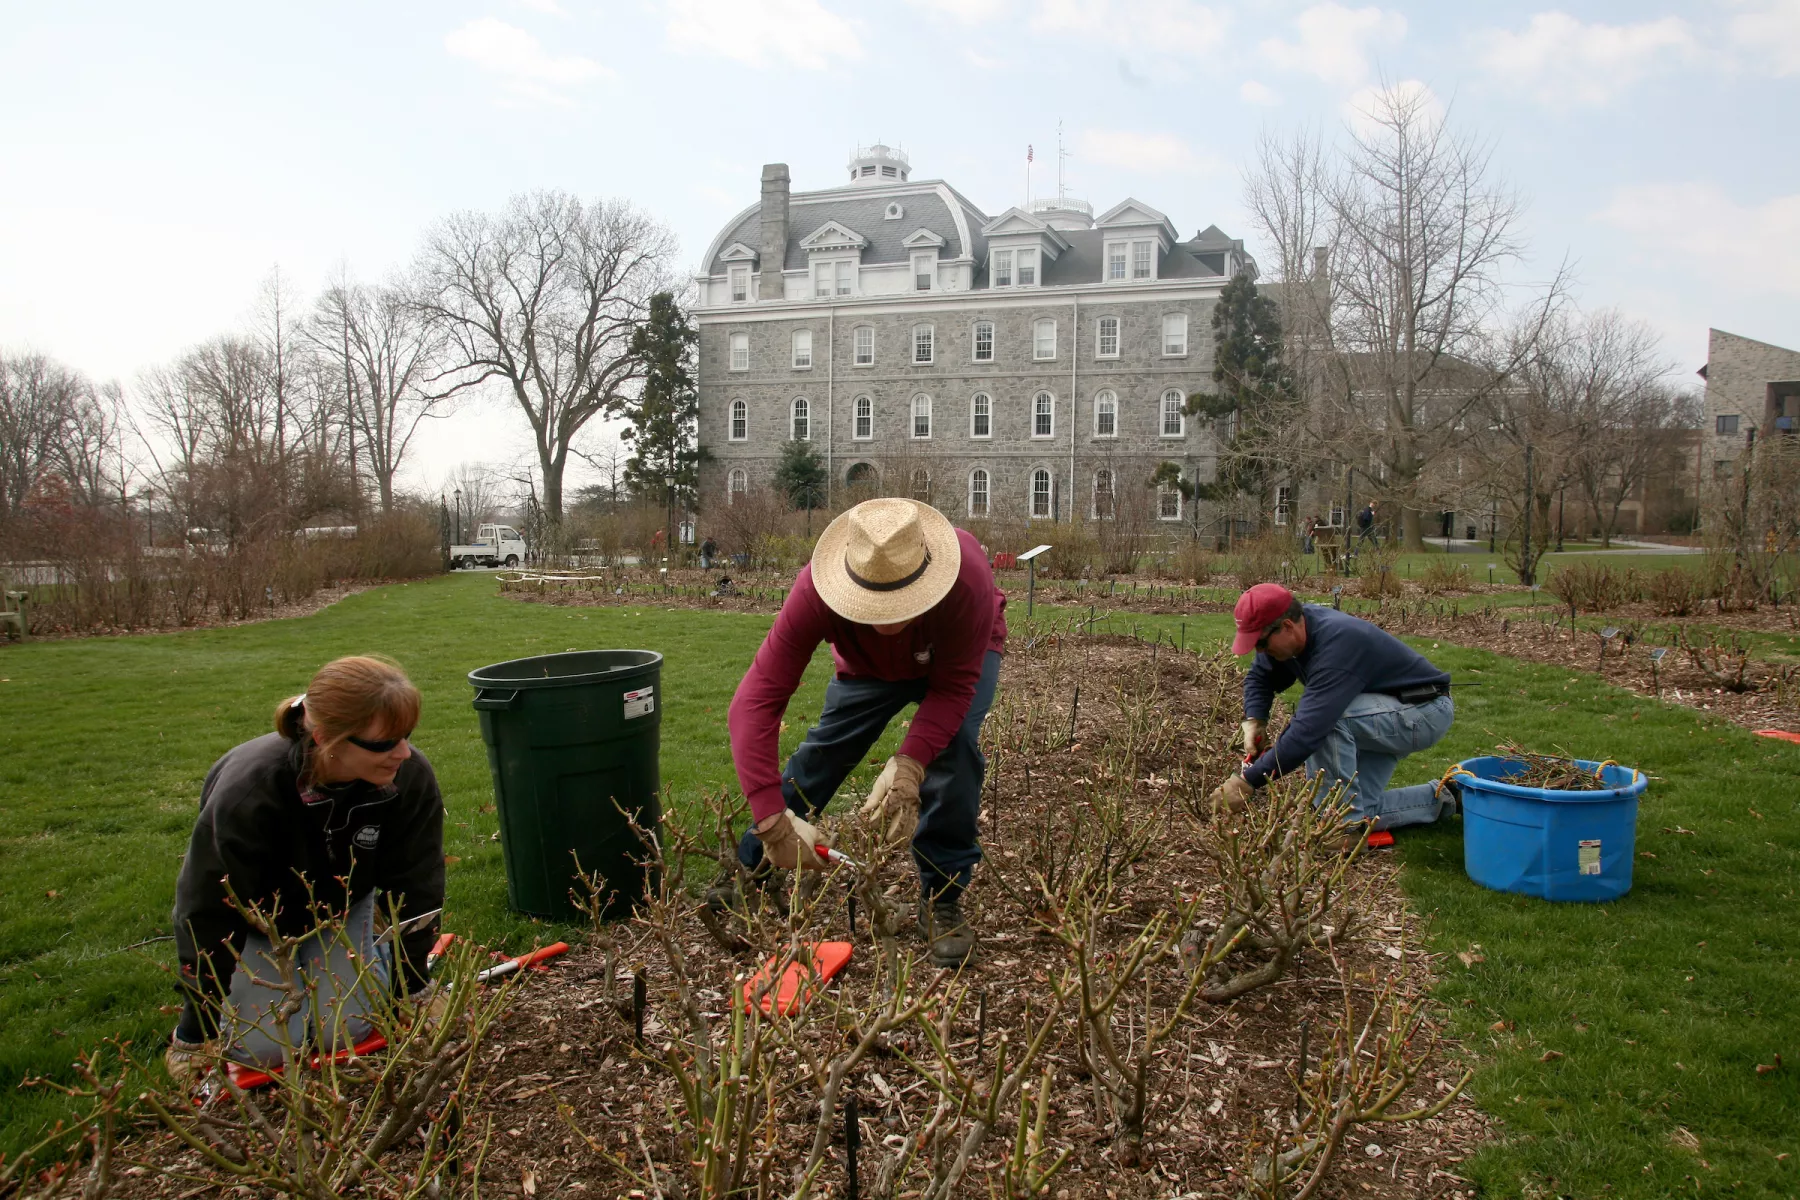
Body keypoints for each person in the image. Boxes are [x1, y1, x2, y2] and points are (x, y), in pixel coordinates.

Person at [722, 497, 1006, 966]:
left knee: (955, 752)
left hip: (953, 653)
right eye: (874, 605)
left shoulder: (967, 578)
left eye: (902, 604)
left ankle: (942, 897)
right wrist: (770, 816)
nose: (889, 621)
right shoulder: (815, 589)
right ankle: (754, 859)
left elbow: (955, 688)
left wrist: (910, 764)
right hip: (867, 667)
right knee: (828, 749)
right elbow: (755, 700)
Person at [166, 655, 444, 1085]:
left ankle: (378, 957)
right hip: (259, 925)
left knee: (346, 1031)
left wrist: (414, 984)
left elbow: (417, 882)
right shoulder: (250, 793)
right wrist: (193, 1030)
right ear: (326, 738)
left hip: (342, 909)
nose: (403, 753)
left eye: (406, 736)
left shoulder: (409, 777)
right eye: (385, 742)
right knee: (266, 1050)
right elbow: (206, 909)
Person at [1208, 583, 1458, 832]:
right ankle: (1449, 797)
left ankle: (1341, 829)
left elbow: (1309, 731)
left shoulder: (1338, 643)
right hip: (1377, 712)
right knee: (1358, 807)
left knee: (1329, 722)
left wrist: (1248, 781)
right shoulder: (1296, 631)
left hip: (1423, 711)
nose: (1260, 651)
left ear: (1286, 626)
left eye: (1261, 644)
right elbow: (1260, 677)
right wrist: (1255, 720)